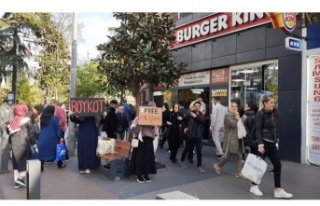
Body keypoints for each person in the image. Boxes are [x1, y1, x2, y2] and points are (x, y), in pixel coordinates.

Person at [249, 94, 292, 199]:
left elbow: (275, 128)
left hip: (272, 144)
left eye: (274, 102)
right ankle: (254, 186)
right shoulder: (260, 113)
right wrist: (260, 144)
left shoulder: (273, 113)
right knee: (259, 167)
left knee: (278, 165)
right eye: (271, 102)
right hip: (263, 143)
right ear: (265, 103)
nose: (273, 104)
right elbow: (258, 130)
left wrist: (277, 141)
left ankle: (278, 190)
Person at [7, 103, 37, 189]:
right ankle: (20, 179)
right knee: (26, 161)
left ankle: (17, 182)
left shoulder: (12, 121)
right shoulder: (27, 120)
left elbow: (8, 132)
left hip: (14, 144)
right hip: (24, 144)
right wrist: (34, 144)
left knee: (16, 162)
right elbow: (31, 133)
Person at [214, 100, 246, 179]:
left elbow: (239, 126)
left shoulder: (236, 115)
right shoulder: (228, 115)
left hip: (238, 137)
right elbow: (233, 124)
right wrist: (238, 118)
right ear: (230, 107)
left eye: (236, 106)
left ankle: (238, 172)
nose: (235, 108)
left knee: (240, 155)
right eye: (233, 106)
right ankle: (218, 165)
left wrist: (242, 120)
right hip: (231, 138)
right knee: (228, 155)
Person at [129, 101, 158, 183]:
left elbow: (155, 129)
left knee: (148, 158)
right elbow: (134, 129)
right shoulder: (139, 117)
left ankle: (146, 174)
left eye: (154, 107)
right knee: (140, 158)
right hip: (141, 139)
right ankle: (139, 175)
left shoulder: (154, 117)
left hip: (149, 139)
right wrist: (139, 123)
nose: (153, 109)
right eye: (152, 107)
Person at [179, 101, 206, 174]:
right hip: (190, 135)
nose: (197, 107)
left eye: (198, 106)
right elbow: (183, 121)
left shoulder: (201, 115)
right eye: (195, 106)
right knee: (187, 149)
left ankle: (199, 166)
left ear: (200, 107)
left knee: (199, 151)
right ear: (193, 106)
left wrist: (196, 117)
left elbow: (202, 122)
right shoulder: (189, 114)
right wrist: (184, 128)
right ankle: (182, 161)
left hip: (198, 136)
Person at [37, 105, 65, 171]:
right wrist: (60, 136)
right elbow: (57, 128)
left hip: (43, 136)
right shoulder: (54, 118)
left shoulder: (42, 117)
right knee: (57, 150)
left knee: (42, 152)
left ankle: (41, 166)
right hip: (53, 137)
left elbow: (41, 127)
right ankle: (59, 164)